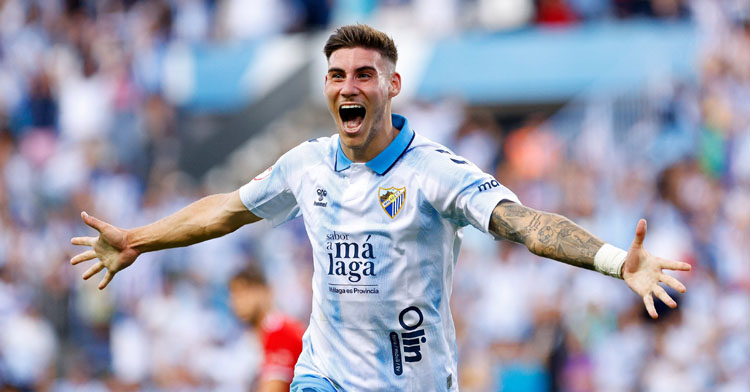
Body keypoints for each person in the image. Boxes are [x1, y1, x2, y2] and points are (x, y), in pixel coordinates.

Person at [71, 24, 691, 391]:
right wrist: (138, 240)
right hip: (325, 376)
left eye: (364, 74)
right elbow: (227, 210)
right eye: (337, 75)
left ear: (392, 85)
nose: (348, 86)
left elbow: (526, 225)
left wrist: (616, 262)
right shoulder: (306, 164)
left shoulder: (435, 173)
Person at [229, 265, 305, 392]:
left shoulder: (280, 330)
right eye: (235, 294)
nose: (238, 301)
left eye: (245, 292)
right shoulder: (246, 340)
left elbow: (274, 388)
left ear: (265, 291)